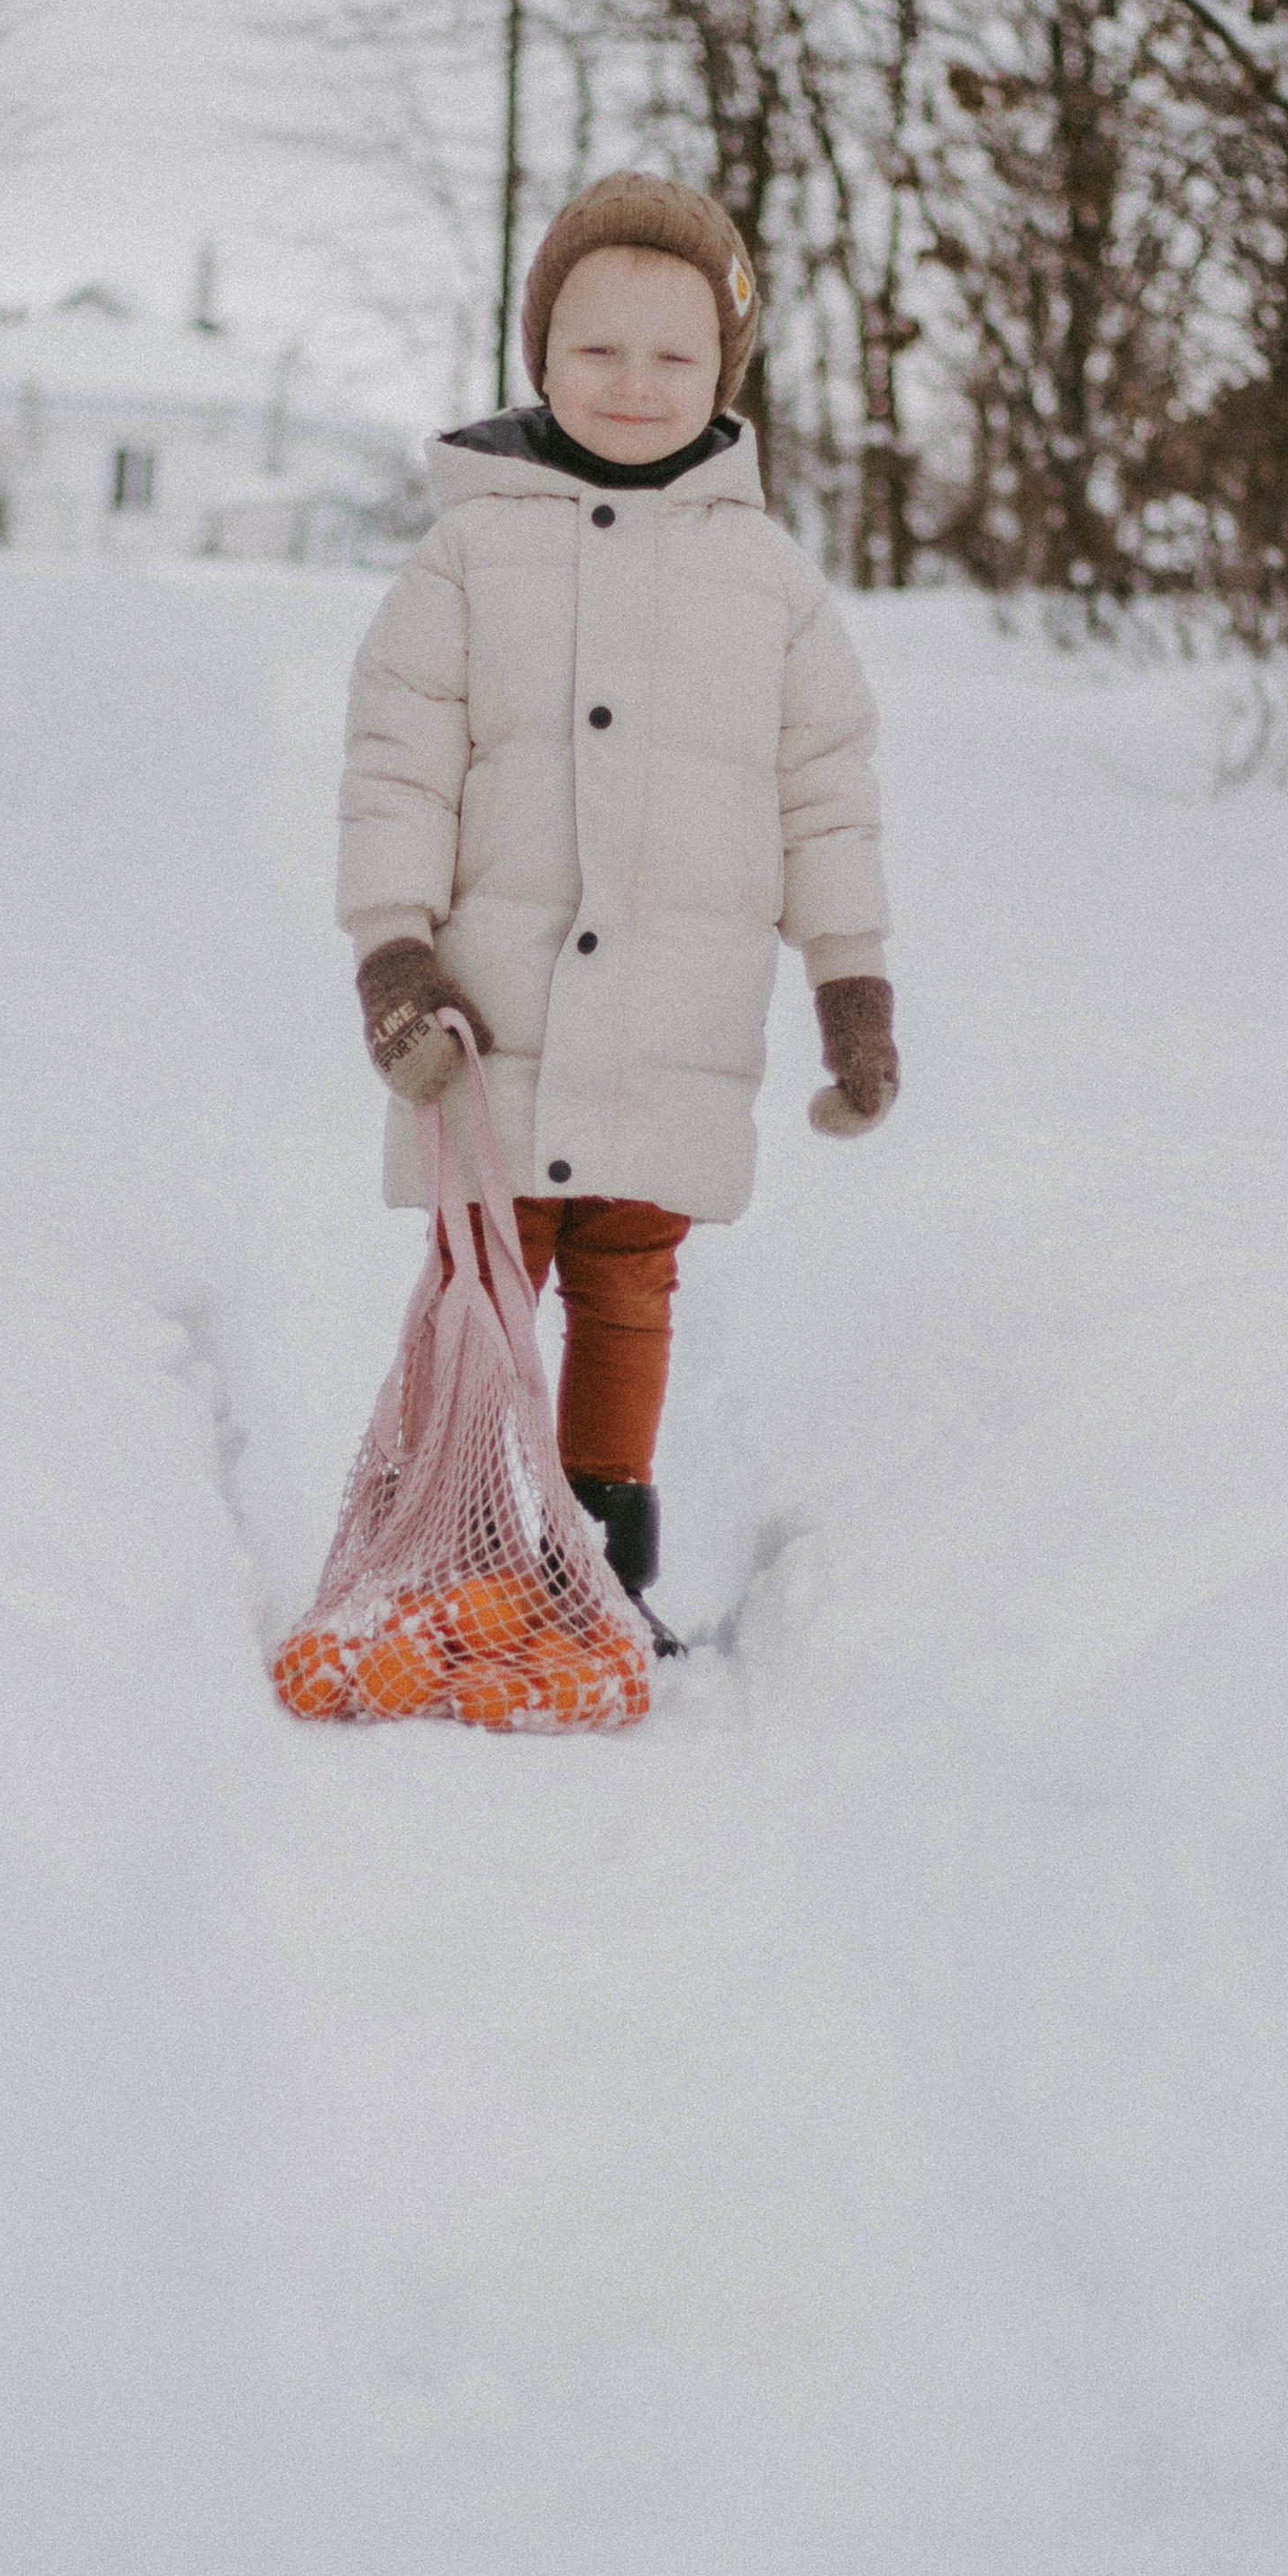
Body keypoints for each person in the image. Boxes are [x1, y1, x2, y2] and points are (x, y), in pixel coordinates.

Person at [337, 171, 897, 1645]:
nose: (636, 384)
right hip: (493, 1015)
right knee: (482, 1277)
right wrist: (392, 949)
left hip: (674, 1015)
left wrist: (853, 979)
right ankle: (449, 1535)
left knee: (629, 1279)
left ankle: (594, 1567)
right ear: (540, 360)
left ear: (726, 376)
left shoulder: (768, 582)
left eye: (676, 357)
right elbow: (399, 758)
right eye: (598, 351)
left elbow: (826, 787)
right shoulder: (470, 552)